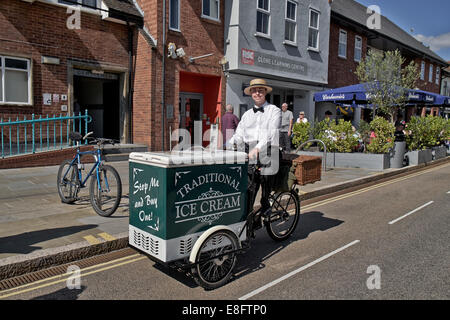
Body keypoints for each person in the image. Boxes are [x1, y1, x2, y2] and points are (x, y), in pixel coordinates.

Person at [227, 78, 281, 218]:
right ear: (251, 93)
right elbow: (239, 135)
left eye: (260, 90)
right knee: (248, 191)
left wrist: (257, 148)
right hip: (249, 152)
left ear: (265, 92)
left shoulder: (274, 111)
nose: (257, 93)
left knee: (263, 177)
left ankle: (265, 203)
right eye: (254, 91)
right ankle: (249, 227)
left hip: (268, 150)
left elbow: (271, 133)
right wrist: (227, 146)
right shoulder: (246, 115)